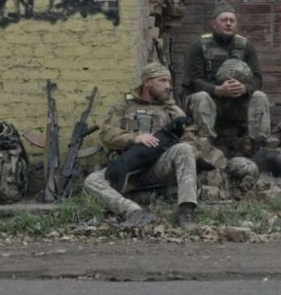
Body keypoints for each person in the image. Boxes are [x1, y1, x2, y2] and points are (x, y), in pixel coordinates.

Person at [84, 62, 199, 229]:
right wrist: (134, 138)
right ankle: (133, 211)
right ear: (147, 82)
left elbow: (190, 141)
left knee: (185, 149)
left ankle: (186, 211)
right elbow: (106, 135)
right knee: (92, 181)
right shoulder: (124, 106)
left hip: (157, 169)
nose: (168, 86)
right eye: (162, 81)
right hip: (124, 171)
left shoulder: (173, 110)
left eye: (169, 82)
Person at [182, 0, 271, 154]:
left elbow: (257, 78)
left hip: (237, 102)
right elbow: (192, 80)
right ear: (213, 23)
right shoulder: (199, 46)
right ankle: (205, 148)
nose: (228, 23)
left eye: (232, 20)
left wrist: (244, 88)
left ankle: (257, 147)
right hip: (210, 101)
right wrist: (216, 90)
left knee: (259, 96)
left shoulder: (245, 47)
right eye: (224, 20)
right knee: (200, 97)